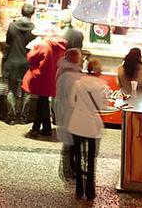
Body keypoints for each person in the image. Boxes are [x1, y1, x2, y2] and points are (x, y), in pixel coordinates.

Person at [67, 59, 109, 201]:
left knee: (78, 156)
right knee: (91, 158)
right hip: (92, 125)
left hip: (77, 123)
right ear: (99, 71)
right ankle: (90, 190)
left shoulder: (78, 83)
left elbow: (72, 102)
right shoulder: (103, 86)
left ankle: (79, 189)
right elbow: (103, 106)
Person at [24, 33, 67, 138]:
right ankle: (36, 128)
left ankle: (46, 129)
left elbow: (30, 57)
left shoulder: (43, 45)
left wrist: (34, 46)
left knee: (42, 101)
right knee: (42, 101)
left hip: (42, 75)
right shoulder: (60, 46)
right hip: (52, 76)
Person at [2, 2, 37, 124]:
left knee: (11, 90)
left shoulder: (12, 26)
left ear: (21, 11)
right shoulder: (34, 29)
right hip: (28, 63)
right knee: (26, 91)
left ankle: (11, 116)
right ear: (32, 14)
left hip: (12, 62)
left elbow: (7, 44)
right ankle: (23, 117)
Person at [56, 47, 86, 183]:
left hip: (68, 110)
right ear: (74, 59)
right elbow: (71, 96)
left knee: (72, 141)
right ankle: (70, 169)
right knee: (71, 142)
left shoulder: (65, 70)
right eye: (79, 57)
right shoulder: (69, 74)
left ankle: (73, 167)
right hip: (71, 111)